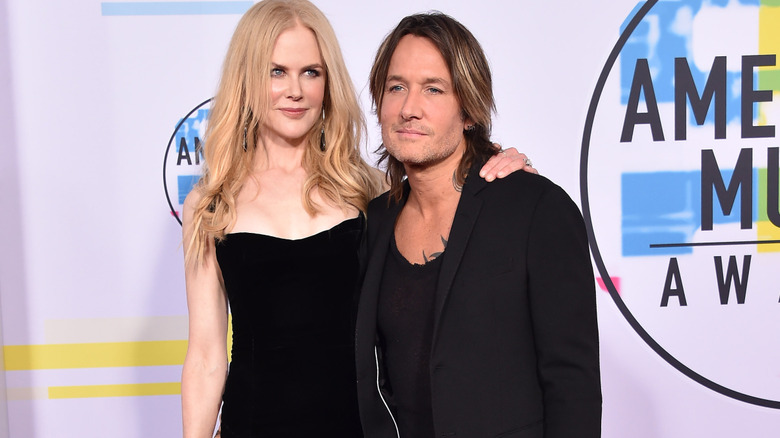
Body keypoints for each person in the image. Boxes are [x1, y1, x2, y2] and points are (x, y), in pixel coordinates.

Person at [179, 1, 534, 437]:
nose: (296, 90)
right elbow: (206, 355)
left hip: (357, 427)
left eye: (312, 72)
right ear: (246, 78)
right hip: (252, 424)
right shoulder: (211, 203)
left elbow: (453, 197)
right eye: (277, 72)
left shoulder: (368, 190)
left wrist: (506, 168)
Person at [355, 12, 602, 438]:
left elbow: (572, 385)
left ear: (468, 109)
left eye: (433, 89)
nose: (409, 108)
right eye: (396, 87)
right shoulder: (372, 223)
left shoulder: (536, 209)